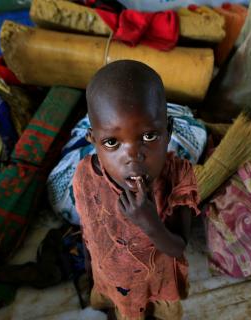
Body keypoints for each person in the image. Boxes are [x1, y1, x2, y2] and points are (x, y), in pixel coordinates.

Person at [72, 60, 200, 320]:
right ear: (93, 141)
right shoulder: (86, 175)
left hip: (157, 283)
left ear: (169, 131)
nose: (132, 156)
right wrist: (90, 269)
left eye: (149, 137)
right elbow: (89, 230)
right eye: (111, 142)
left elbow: (177, 247)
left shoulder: (178, 176)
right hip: (110, 277)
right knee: (116, 309)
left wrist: (149, 222)